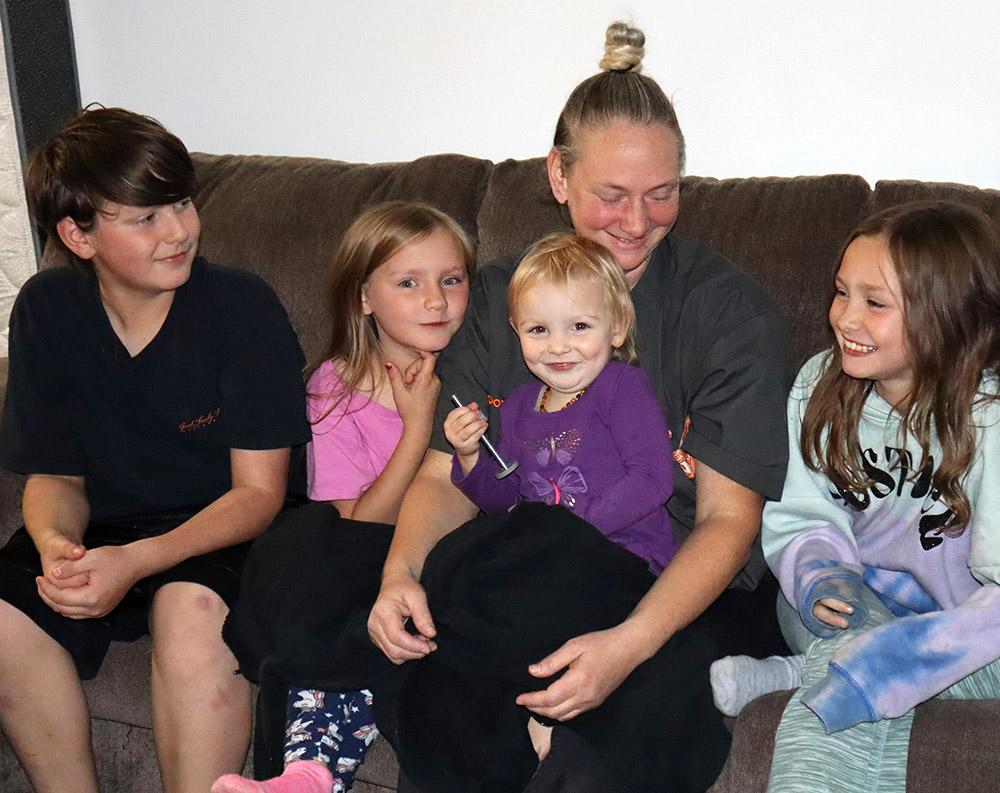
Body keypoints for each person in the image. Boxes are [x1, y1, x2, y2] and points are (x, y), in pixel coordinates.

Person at [369, 20, 794, 793]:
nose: (636, 222)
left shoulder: (728, 313)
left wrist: (626, 645)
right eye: (612, 195)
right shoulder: (499, 295)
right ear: (558, 176)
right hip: (524, 569)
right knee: (432, 680)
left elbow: (729, 521)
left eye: (662, 194)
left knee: (634, 719)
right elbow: (443, 477)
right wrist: (399, 574)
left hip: (671, 581)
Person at [0, 107, 311, 793]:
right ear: (78, 235)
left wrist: (139, 559)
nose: (178, 231)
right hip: (109, 524)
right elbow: (55, 475)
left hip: (230, 527)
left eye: (181, 203)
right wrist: (57, 547)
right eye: (145, 218)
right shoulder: (47, 309)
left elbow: (259, 494)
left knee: (189, 610)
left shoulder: (241, 307)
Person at [718, 199, 1000, 792]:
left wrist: (896, 659)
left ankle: (806, 676)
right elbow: (802, 519)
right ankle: (831, 664)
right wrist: (822, 578)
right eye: (842, 293)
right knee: (843, 632)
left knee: (862, 669)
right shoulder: (819, 384)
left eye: (875, 303)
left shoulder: (990, 418)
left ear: (948, 315)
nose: (845, 318)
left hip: (971, 624)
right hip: (853, 601)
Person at [212, 201, 475, 793]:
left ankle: (313, 771)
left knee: (362, 622)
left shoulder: (482, 374)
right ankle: (304, 772)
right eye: (408, 283)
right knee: (306, 545)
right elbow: (359, 524)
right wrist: (416, 429)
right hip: (361, 559)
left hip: (443, 558)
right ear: (363, 299)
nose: (436, 301)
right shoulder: (335, 386)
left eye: (451, 280)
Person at [445, 232, 677, 762]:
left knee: (515, 589)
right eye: (539, 330)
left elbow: (652, 479)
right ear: (516, 331)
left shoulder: (621, 387)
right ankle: (511, 702)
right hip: (545, 560)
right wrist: (468, 457)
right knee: (459, 571)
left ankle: (549, 718)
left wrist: (567, 533)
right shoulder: (520, 405)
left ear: (617, 327)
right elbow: (503, 502)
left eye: (579, 327)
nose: (558, 346)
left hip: (625, 558)